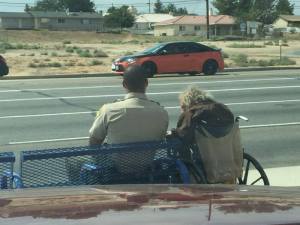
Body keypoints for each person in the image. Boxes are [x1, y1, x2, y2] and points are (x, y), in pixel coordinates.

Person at [88, 65, 169, 175]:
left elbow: (94, 141)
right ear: (146, 83)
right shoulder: (161, 112)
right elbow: (160, 139)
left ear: (124, 84)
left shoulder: (109, 110)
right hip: (146, 172)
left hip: (114, 174)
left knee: (76, 163)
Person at [175, 86, 243, 184]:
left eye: (182, 106)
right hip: (227, 159)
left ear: (187, 103)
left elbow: (183, 137)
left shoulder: (191, 114)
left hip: (205, 163)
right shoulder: (223, 109)